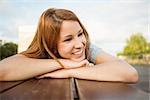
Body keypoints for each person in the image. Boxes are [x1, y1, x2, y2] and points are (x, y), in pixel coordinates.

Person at [0, 8, 138, 82]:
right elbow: (3, 70)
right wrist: (62, 63)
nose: (79, 44)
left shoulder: (88, 48)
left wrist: (69, 72)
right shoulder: (42, 52)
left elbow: (130, 74)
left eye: (80, 34)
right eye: (67, 39)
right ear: (50, 44)